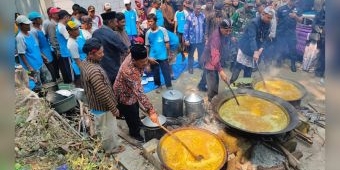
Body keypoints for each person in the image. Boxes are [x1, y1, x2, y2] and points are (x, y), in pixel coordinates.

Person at [80, 38, 125, 154]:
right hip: (102, 107)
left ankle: (108, 146)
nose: (103, 55)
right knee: (108, 130)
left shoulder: (85, 63)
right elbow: (102, 93)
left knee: (104, 128)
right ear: (91, 54)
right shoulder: (94, 71)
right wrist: (114, 108)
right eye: (100, 53)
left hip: (96, 105)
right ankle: (111, 149)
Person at [114, 44, 159, 142]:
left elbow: (142, 57)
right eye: (143, 62)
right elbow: (140, 93)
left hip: (132, 90)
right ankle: (135, 134)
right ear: (134, 61)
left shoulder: (135, 53)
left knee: (136, 108)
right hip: (124, 93)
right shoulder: (129, 71)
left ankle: (138, 123)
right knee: (131, 113)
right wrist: (151, 111)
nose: (145, 64)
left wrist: (148, 59)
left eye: (145, 60)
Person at [229, 7, 273, 84]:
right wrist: (255, 51)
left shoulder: (268, 24)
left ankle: (245, 85)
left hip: (256, 48)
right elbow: (252, 38)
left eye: (271, 18)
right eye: (268, 17)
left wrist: (261, 49)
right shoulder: (253, 23)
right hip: (245, 47)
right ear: (263, 14)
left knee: (248, 69)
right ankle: (232, 83)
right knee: (238, 66)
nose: (269, 19)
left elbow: (266, 38)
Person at [92, 11, 129, 85]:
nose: (116, 24)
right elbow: (126, 50)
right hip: (113, 70)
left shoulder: (95, 33)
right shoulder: (112, 34)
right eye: (115, 21)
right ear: (110, 22)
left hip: (100, 68)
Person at [202, 19, 233, 102]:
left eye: (230, 30)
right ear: (221, 28)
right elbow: (214, 58)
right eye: (226, 31)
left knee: (215, 82)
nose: (228, 33)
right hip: (210, 62)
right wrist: (221, 71)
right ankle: (211, 101)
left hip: (215, 60)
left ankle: (213, 98)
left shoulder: (222, 33)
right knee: (212, 85)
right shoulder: (216, 38)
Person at [145, 13, 173, 93]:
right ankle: (158, 85)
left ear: (155, 21)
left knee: (166, 72)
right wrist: (147, 59)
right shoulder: (148, 33)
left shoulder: (162, 30)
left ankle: (169, 86)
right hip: (153, 57)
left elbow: (167, 43)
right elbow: (147, 46)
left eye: (151, 21)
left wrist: (168, 54)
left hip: (163, 56)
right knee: (155, 73)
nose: (149, 23)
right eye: (148, 21)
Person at [275, 0, 303, 72]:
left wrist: (295, 16)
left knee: (293, 49)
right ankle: (279, 61)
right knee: (279, 47)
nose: (292, 1)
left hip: (291, 33)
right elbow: (277, 20)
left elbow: (300, 20)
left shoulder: (298, 9)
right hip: (281, 32)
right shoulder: (281, 9)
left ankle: (293, 64)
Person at [28, 11, 55, 82]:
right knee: (51, 74)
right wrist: (43, 56)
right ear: (35, 20)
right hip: (44, 54)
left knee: (54, 72)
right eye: (39, 18)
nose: (41, 19)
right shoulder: (33, 31)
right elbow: (36, 46)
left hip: (48, 52)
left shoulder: (40, 28)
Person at [183, 2, 206, 74]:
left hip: (200, 40)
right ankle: (190, 67)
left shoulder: (203, 16)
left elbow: (205, 27)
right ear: (193, 8)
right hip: (192, 40)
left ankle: (200, 65)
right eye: (197, 8)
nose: (198, 10)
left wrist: (205, 36)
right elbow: (186, 29)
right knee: (191, 55)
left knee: (201, 53)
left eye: (200, 9)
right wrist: (186, 40)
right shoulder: (189, 17)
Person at [56, 10, 74, 84]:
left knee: (68, 70)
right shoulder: (62, 27)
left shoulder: (58, 26)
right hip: (67, 52)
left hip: (64, 51)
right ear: (65, 17)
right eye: (68, 17)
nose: (69, 19)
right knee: (71, 71)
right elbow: (69, 38)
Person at [66, 20, 87, 87]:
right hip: (79, 70)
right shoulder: (72, 43)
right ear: (69, 32)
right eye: (75, 29)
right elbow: (77, 61)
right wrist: (85, 72)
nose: (78, 30)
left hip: (85, 64)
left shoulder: (77, 38)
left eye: (77, 28)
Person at [43, 7, 61, 81]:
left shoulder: (51, 22)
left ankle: (57, 79)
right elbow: (51, 38)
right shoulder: (49, 23)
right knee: (55, 66)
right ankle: (57, 80)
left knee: (56, 66)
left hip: (52, 47)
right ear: (51, 14)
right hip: (52, 48)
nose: (58, 14)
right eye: (56, 13)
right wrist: (56, 50)